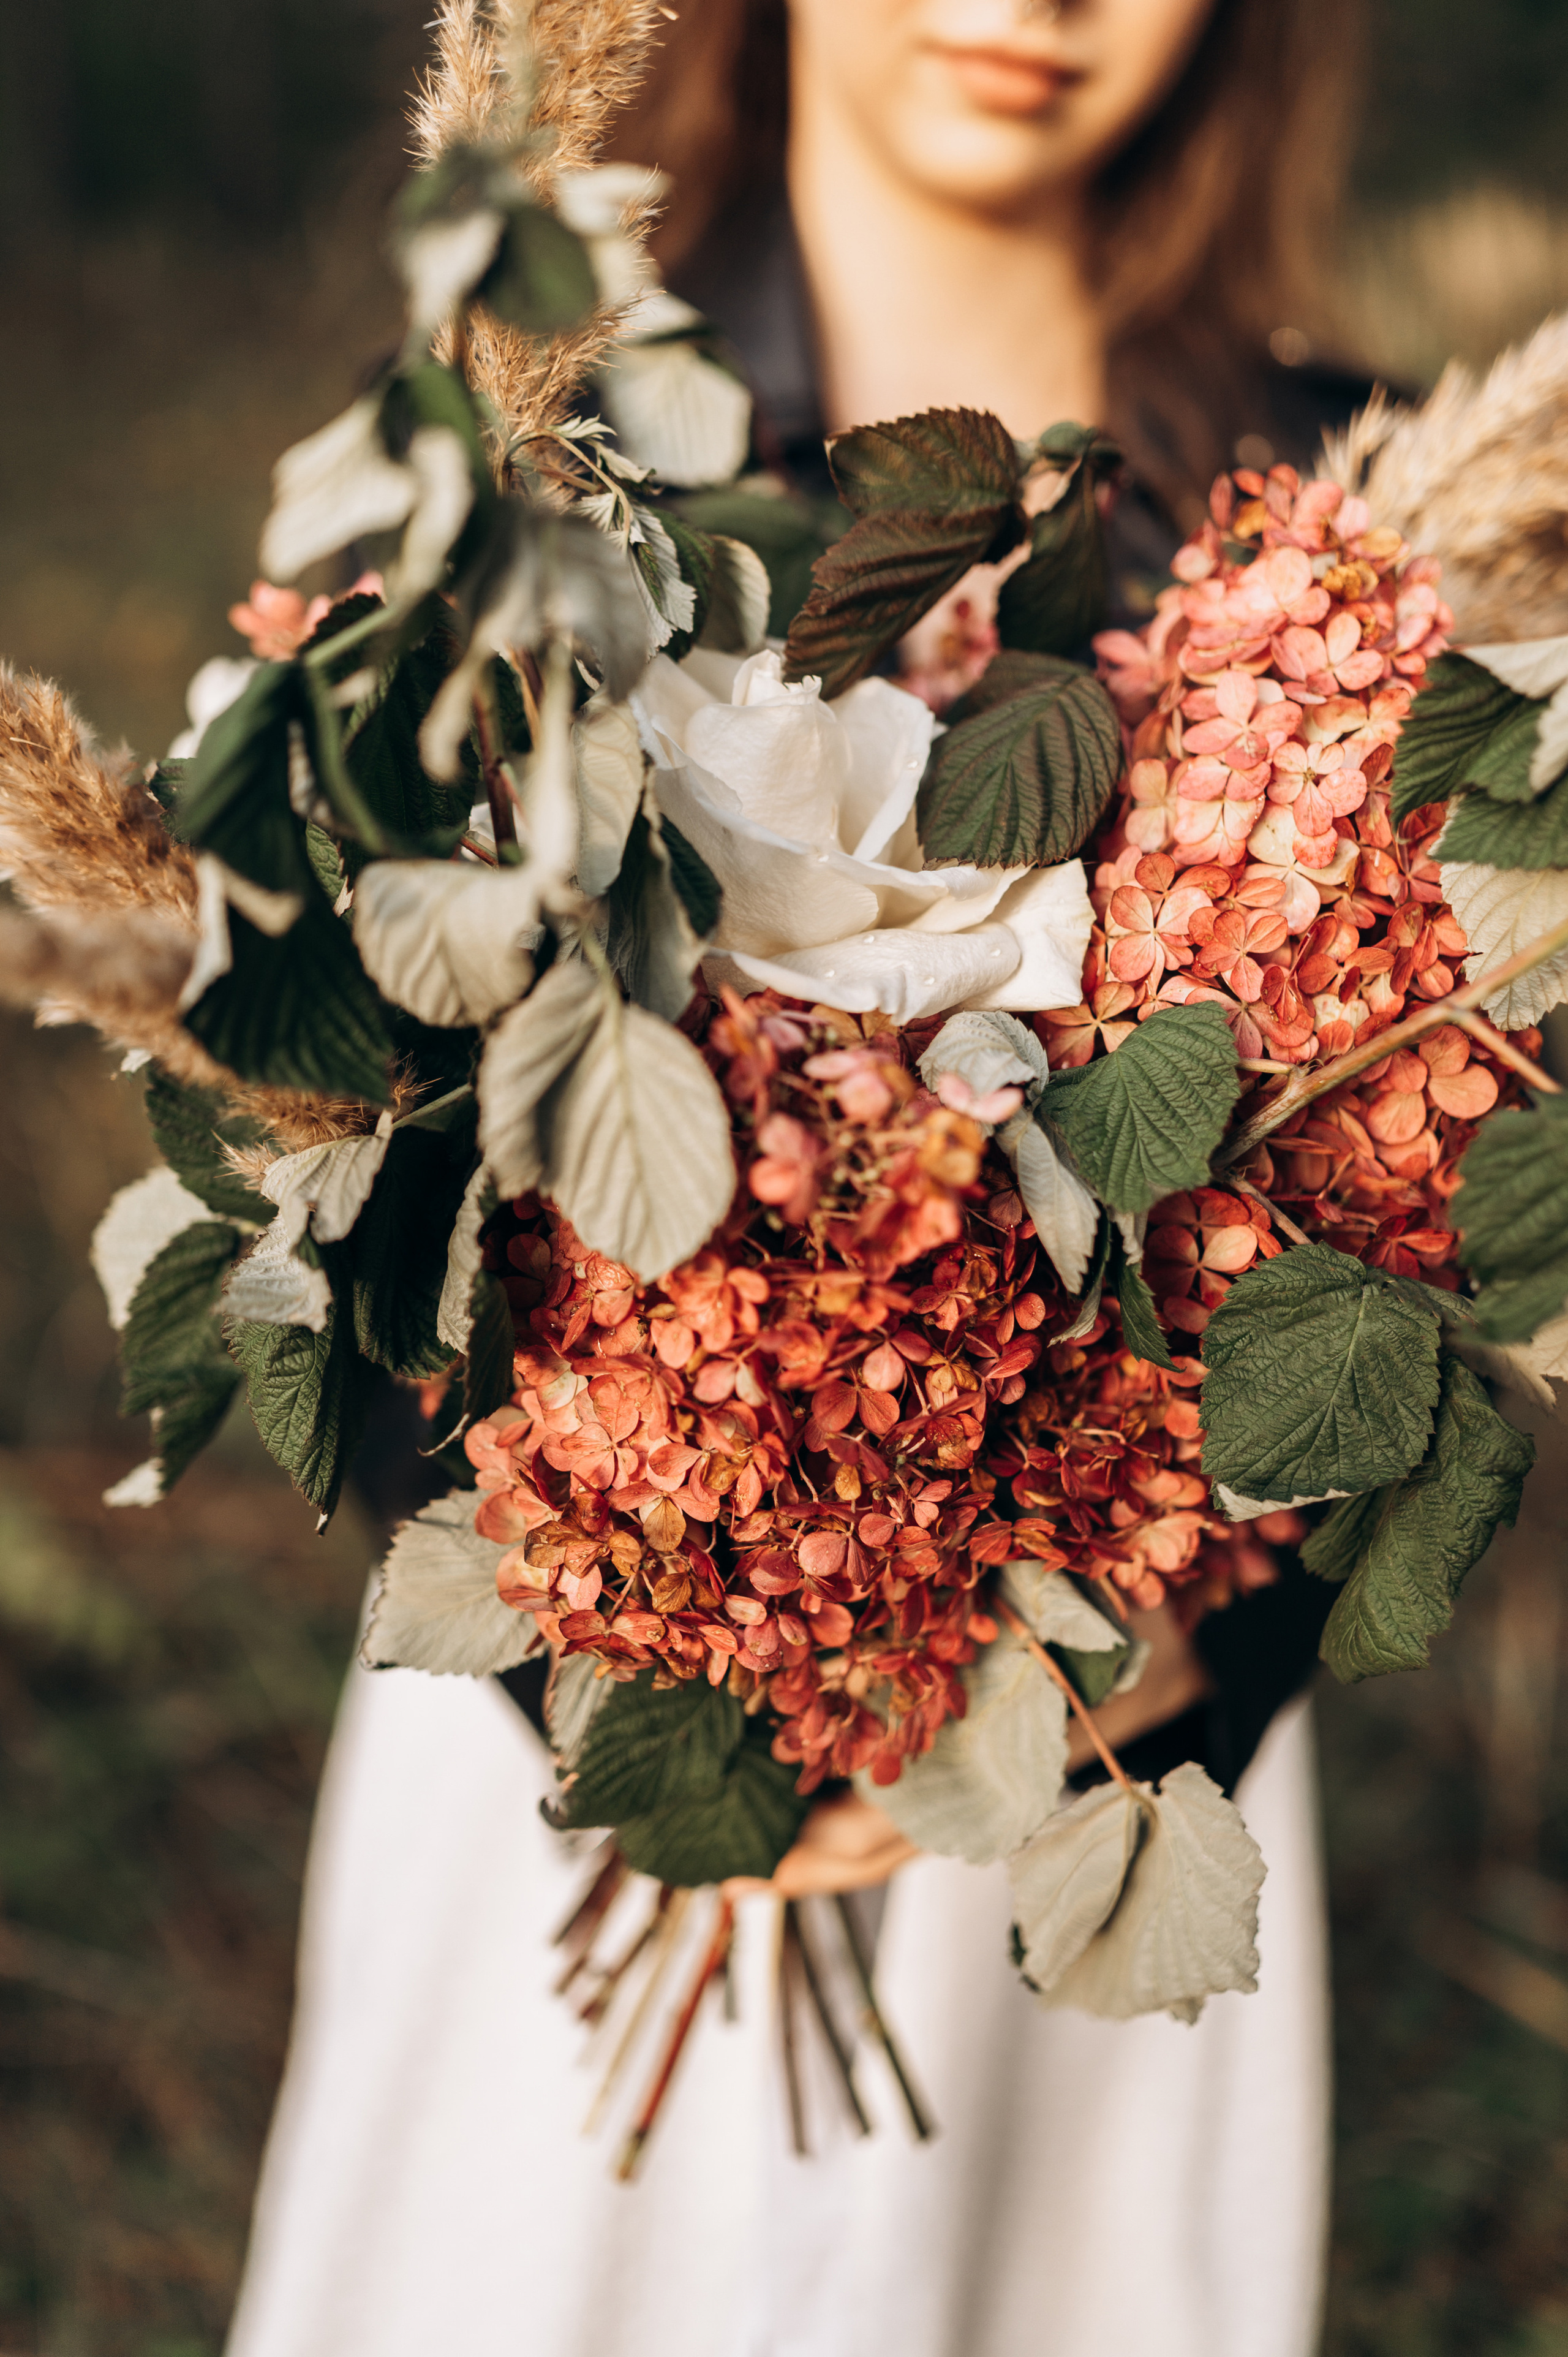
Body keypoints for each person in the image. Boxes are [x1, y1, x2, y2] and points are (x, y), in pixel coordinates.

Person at [226, 5, 1369, 2350]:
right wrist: (659, 1694)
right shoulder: (526, 439)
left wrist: (1187, 1666)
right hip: (580, 1708)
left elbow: (1415, 1244)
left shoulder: (1342, 504)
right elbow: (348, 1129)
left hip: (1100, 1755)